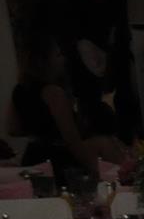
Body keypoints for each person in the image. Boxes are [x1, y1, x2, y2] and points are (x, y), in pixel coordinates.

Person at [5, 32, 126, 182]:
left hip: (32, 156)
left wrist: (37, 126)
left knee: (105, 143)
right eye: (58, 55)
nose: (63, 59)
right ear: (44, 61)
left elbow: (13, 128)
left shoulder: (19, 90)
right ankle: (128, 178)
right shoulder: (53, 93)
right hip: (57, 160)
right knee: (103, 143)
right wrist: (95, 170)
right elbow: (72, 141)